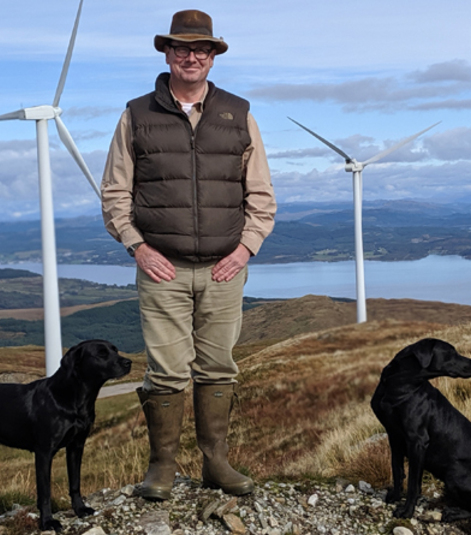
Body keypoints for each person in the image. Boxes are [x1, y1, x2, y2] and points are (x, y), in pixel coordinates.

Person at [100, 9, 276, 501]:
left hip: (225, 268)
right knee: (167, 370)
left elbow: (260, 195)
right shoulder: (136, 114)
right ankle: (162, 467)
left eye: (201, 49)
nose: (191, 56)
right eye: (182, 48)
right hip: (162, 269)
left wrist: (246, 248)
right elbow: (115, 191)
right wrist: (136, 245)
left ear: (213, 57)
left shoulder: (239, 113)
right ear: (167, 53)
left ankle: (216, 463)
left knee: (219, 367)